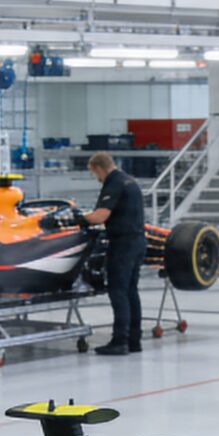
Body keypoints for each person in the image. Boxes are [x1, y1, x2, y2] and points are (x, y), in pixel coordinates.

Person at [83, 152, 148, 356]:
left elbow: (100, 216)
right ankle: (134, 341)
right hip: (138, 241)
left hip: (123, 244)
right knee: (130, 291)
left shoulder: (114, 183)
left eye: (94, 173)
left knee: (118, 291)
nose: (96, 178)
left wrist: (77, 219)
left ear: (99, 168)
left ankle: (119, 341)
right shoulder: (130, 181)